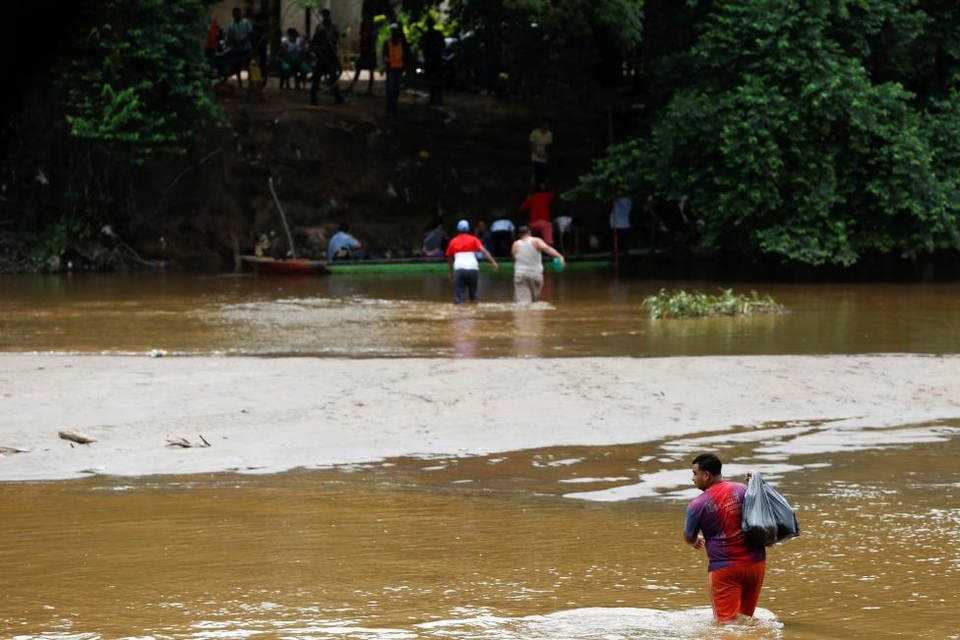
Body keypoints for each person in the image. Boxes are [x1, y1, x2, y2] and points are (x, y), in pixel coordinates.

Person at [683, 453, 767, 624]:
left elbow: (688, 535)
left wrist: (694, 541)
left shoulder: (698, 504)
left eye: (694, 473)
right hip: (756, 564)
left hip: (725, 570)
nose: (692, 478)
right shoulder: (743, 490)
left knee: (725, 625)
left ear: (706, 475)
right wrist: (755, 482)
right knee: (746, 620)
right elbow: (763, 509)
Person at [445, 219, 498, 304]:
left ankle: (460, 315)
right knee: (474, 296)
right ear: (468, 230)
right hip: (473, 269)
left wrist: (451, 273)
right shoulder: (474, 239)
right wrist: (493, 262)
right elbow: (483, 251)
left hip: (459, 269)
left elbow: (449, 258)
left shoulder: (453, 241)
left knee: (459, 298)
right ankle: (474, 313)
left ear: (458, 230)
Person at [511, 226, 565, 303]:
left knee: (522, 302)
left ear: (519, 235)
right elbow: (547, 249)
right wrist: (560, 256)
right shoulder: (536, 241)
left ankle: (522, 314)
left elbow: (514, 259)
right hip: (535, 274)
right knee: (533, 301)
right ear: (529, 233)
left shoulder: (515, 244)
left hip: (520, 274)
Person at [310, 9, 345, 105]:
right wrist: (316, 49)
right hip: (321, 56)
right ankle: (313, 99)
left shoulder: (333, 28)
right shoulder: (319, 28)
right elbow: (314, 41)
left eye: (326, 16)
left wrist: (332, 40)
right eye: (323, 16)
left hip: (330, 56)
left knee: (333, 78)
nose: (325, 18)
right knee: (316, 78)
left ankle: (338, 99)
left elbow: (336, 39)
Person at [519, 181, 556, 246]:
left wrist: (528, 198)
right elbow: (553, 194)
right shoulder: (546, 196)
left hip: (533, 223)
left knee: (530, 241)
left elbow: (521, 208)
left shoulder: (531, 198)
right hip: (545, 222)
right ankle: (550, 253)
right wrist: (546, 186)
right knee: (549, 242)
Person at [225, 7, 253, 86]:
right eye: (235, 14)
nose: (237, 15)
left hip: (246, 48)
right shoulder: (231, 25)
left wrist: (243, 41)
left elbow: (250, 34)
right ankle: (239, 81)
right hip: (237, 49)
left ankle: (250, 81)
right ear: (233, 15)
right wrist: (235, 42)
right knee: (237, 65)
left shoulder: (246, 22)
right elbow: (230, 36)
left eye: (238, 14)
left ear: (240, 14)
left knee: (248, 65)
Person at [421, 16, 446, 105]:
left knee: (436, 79)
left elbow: (442, 46)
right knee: (433, 80)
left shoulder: (434, 34)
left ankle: (436, 98)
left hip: (434, 59)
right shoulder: (429, 35)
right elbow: (423, 47)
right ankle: (434, 98)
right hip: (432, 59)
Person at [382, 23, 406, 114]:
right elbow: (384, 56)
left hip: (399, 69)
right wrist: (388, 62)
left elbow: (404, 55)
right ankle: (389, 107)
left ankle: (394, 106)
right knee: (391, 89)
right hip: (391, 69)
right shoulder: (387, 43)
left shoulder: (401, 43)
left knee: (396, 89)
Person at [529, 118, 552, 185]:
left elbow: (548, 145)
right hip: (535, 154)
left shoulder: (549, 134)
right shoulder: (534, 133)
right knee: (536, 171)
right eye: (546, 125)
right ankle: (533, 185)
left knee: (544, 172)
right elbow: (531, 145)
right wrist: (538, 153)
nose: (547, 127)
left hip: (543, 154)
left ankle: (542, 186)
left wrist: (546, 154)